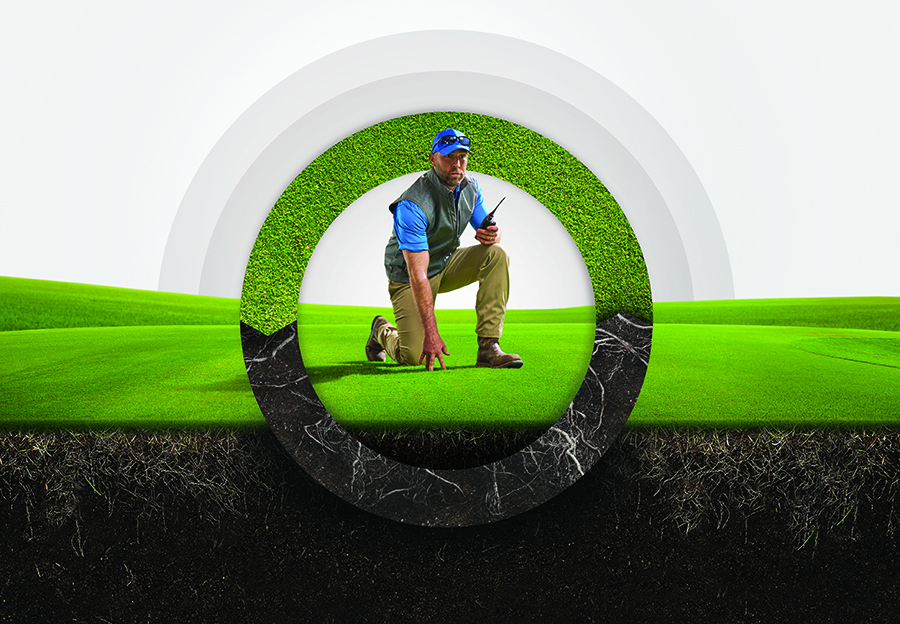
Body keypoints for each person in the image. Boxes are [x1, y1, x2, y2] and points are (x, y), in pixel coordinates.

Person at [365, 128, 523, 372]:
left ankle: (488, 347)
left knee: (496, 255)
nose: (456, 165)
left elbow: (489, 230)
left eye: (462, 157)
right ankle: (381, 330)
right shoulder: (412, 205)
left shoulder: (470, 187)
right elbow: (418, 274)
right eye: (449, 157)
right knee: (412, 355)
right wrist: (432, 334)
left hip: (444, 263)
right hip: (409, 277)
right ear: (433, 159)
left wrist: (493, 233)